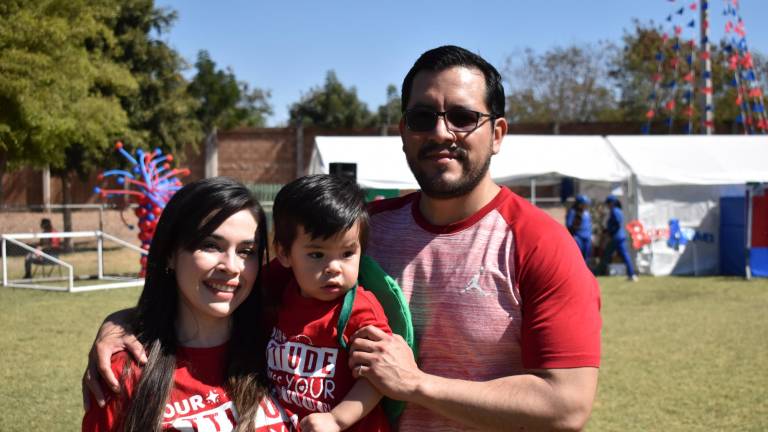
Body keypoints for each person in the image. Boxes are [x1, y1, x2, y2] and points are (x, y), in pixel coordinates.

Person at [84, 45, 601, 431]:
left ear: (499, 132)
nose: (442, 132)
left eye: (463, 117)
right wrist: (125, 323)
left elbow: (566, 405)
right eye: (424, 117)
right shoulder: (353, 232)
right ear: (403, 131)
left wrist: (417, 385)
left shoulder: (539, 242)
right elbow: (230, 287)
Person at [81, 177, 296, 431]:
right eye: (210, 245)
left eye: (246, 251)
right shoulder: (122, 372)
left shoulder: (286, 344)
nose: (231, 266)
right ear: (170, 254)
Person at [268, 174, 391, 431]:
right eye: (316, 254)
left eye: (347, 253)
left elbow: (379, 375)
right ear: (283, 253)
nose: (334, 267)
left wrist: (337, 419)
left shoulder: (358, 308)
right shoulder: (282, 293)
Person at [597, 195, 638, 282]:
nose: (607, 205)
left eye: (608, 203)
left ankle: (598, 272)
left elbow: (616, 224)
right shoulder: (619, 210)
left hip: (616, 237)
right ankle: (631, 274)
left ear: (611, 203)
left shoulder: (614, 211)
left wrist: (608, 231)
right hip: (620, 236)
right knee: (625, 256)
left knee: (607, 255)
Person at [566, 194, 593, 263]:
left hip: (587, 236)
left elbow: (589, 224)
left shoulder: (587, 213)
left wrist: (591, 235)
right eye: (584, 204)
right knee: (579, 255)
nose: (585, 206)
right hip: (578, 236)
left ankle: (586, 271)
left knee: (587, 255)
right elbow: (569, 225)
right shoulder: (573, 212)